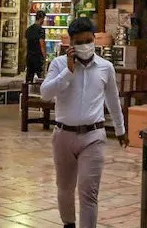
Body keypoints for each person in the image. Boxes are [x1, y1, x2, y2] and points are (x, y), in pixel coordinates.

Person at [39, 17, 128, 228]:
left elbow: (113, 100)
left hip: (93, 136)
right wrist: (68, 72)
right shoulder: (59, 64)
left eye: (88, 40)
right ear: (71, 43)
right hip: (63, 135)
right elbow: (45, 93)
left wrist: (121, 129)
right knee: (65, 187)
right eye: (79, 42)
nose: (85, 46)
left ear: (94, 40)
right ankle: (68, 223)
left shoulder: (105, 67)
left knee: (89, 191)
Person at [25, 11, 48, 83]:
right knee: (40, 77)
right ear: (41, 18)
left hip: (29, 56)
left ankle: (27, 91)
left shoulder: (29, 29)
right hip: (38, 57)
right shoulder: (41, 30)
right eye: (43, 19)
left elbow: (26, 43)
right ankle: (39, 92)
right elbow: (42, 44)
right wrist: (44, 56)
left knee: (29, 76)